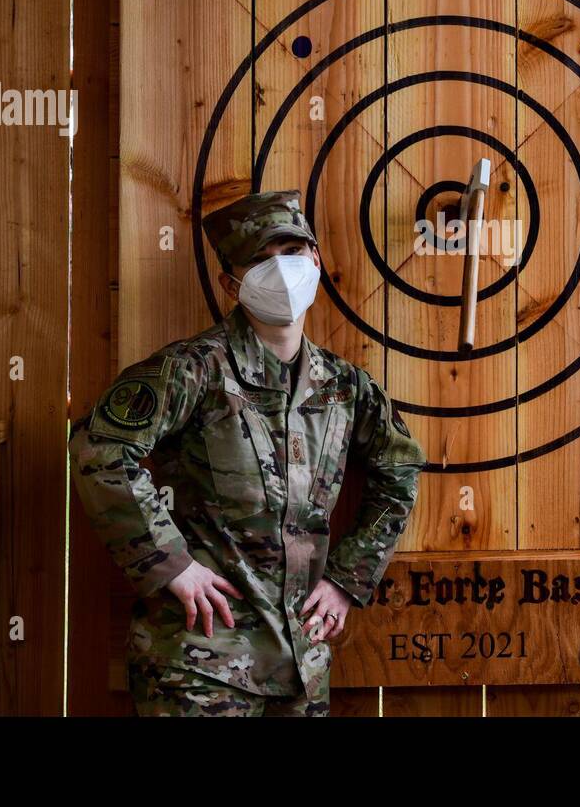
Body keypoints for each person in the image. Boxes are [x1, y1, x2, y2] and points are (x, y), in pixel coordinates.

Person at [68, 189, 426, 716]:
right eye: (260, 259)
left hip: (303, 665)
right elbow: (99, 448)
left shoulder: (344, 386)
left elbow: (400, 469)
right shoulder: (193, 370)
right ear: (230, 283)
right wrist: (170, 564)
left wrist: (348, 579)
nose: (281, 270)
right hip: (199, 665)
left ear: (317, 261)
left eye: (292, 251)